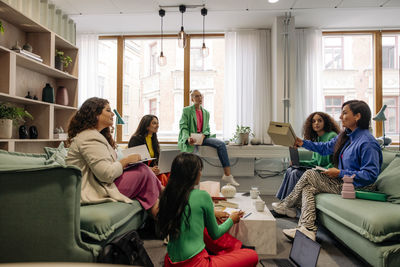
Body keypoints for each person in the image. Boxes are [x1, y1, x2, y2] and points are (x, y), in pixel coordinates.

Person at [272, 100, 382, 241]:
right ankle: (308, 229)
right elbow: (325, 147)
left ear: (357, 116)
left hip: (360, 186)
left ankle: (287, 204)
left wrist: (340, 173)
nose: (341, 117)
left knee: (310, 174)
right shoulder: (347, 136)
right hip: (345, 183)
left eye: (344, 113)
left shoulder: (367, 142)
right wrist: (302, 143)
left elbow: (370, 175)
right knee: (309, 188)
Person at [157, 152, 258, 266]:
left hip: (170, 262)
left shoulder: (168, 195)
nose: (200, 173)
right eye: (199, 170)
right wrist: (232, 219)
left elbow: (187, 211)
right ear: (192, 174)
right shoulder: (202, 195)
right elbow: (215, 234)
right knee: (252, 255)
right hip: (196, 263)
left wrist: (213, 213)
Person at [66, 97, 162, 217]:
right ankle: (164, 199)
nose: (112, 114)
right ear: (95, 114)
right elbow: (107, 174)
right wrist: (126, 160)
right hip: (96, 189)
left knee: (143, 169)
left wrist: (127, 163)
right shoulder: (89, 137)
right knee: (143, 171)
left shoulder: (95, 136)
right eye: (108, 110)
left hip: (101, 183)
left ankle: (161, 210)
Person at [178, 90, 239, 186]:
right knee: (193, 163)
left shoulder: (206, 113)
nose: (200, 98)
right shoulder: (186, 110)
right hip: (191, 138)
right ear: (192, 99)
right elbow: (183, 127)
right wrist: (188, 138)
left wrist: (203, 135)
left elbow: (207, 129)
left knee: (221, 144)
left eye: (201, 96)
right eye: (197, 96)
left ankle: (227, 175)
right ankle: (190, 184)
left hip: (202, 137)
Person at [276, 112, 340, 200]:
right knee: (290, 170)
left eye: (319, 121)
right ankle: (282, 201)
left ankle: (289, 204)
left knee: (296, 173)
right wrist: (298, 163)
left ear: (326, 122)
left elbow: (328, 161)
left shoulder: (332, 135)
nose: (316, 123)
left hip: (326, 172)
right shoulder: (317, 139)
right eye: (314, 121)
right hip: (318, 169)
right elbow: (315, 162)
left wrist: (319, 168)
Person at [128, 115, 169, 186]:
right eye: (154, 123)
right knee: (162, 177)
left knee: (170, 173)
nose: (157, 125)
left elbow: (155, 158)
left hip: (151, 169)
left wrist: (157, 168)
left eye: (157, 123)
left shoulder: (153, 139)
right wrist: (150, 169)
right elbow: (134, 162)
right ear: (146, 126)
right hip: (140, 169)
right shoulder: (136, 139)